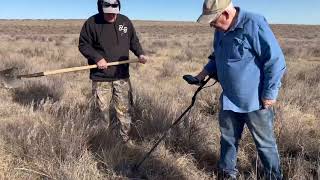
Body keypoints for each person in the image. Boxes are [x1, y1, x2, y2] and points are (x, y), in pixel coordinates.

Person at [185, 0, 286, 179]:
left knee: (265, 144)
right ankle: (227, 173)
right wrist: (200, 75)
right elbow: (218, 57)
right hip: (230, 99)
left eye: (213, 21)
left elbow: (275, 61)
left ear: (225, 14)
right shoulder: (220, 31)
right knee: (228, 139)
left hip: (256, 101)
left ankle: (273, 176)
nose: (211, 25)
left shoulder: (254, 23)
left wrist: (269, 94)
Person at [78, 0, 148, 145]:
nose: (112, 16)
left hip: (121, 76)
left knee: (124, 110)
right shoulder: (91, 23)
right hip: (100, 77)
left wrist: (140, 54)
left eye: (114, 12)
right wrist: (97, 58)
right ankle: (104, 141)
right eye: (108, 13)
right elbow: (83, 44)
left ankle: (125, 140)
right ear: (101, 9)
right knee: (101, 112)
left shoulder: (125, 22)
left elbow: (133, 41)